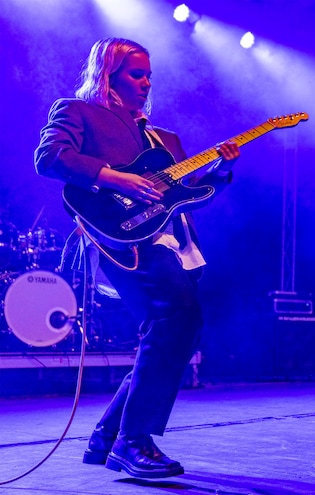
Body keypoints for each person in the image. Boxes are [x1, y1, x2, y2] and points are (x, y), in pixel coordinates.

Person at [34, 38, 240, 479]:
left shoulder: (165, 140)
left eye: (149, 75)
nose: (146, 83)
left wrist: (219, 171)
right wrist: (116, 179)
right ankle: (133, 441)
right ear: (108, 75)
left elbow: (187, 196)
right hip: (120, 236)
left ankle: (107, 435)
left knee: (172, 331)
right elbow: (49, 158)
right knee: (177, 317)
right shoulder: (79, 112)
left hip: (170, 242)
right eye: (136, 74)